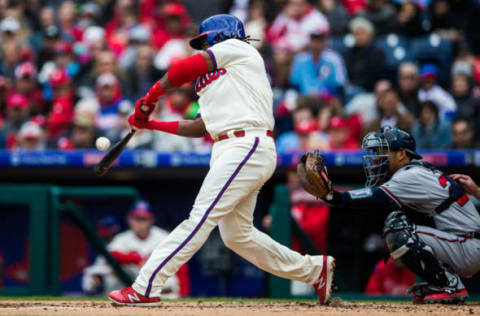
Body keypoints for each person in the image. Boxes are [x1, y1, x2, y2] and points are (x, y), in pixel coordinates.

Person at [109, 14, 334, 306]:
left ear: (220, 34)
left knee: (199, 218)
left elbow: (183, 69)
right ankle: (314, 270)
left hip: (247, 143)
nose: (202, 46)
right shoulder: (218, 78)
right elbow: (200, 126)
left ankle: (146, 285)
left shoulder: (239, 49)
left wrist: (151, 98)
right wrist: (150, 124)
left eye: (204, 40)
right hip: (229, 146)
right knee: (237, 236)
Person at [315, 126, 480, 304]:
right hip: (464, 244)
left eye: (384, 151)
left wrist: (333, 196)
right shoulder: (417, 171)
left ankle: (449, 284)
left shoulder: (411, 175)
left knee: (398, 228)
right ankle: (440, 283)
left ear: (401, 154)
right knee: (401, 223)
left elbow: (374, 197)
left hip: (468, 247)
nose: (377, 157)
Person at [82, 201, 188, 298]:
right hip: (129, 282)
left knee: (166, 276)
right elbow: (111, 255)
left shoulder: (163, 237)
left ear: (151, 219)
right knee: (96, 272)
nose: (139, 222)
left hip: (158, 286)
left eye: (143, 219)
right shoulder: (122, 238)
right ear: (129, 218)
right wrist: (135, 259)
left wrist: (183, 293)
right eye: (136, 218)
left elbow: (180, 263)